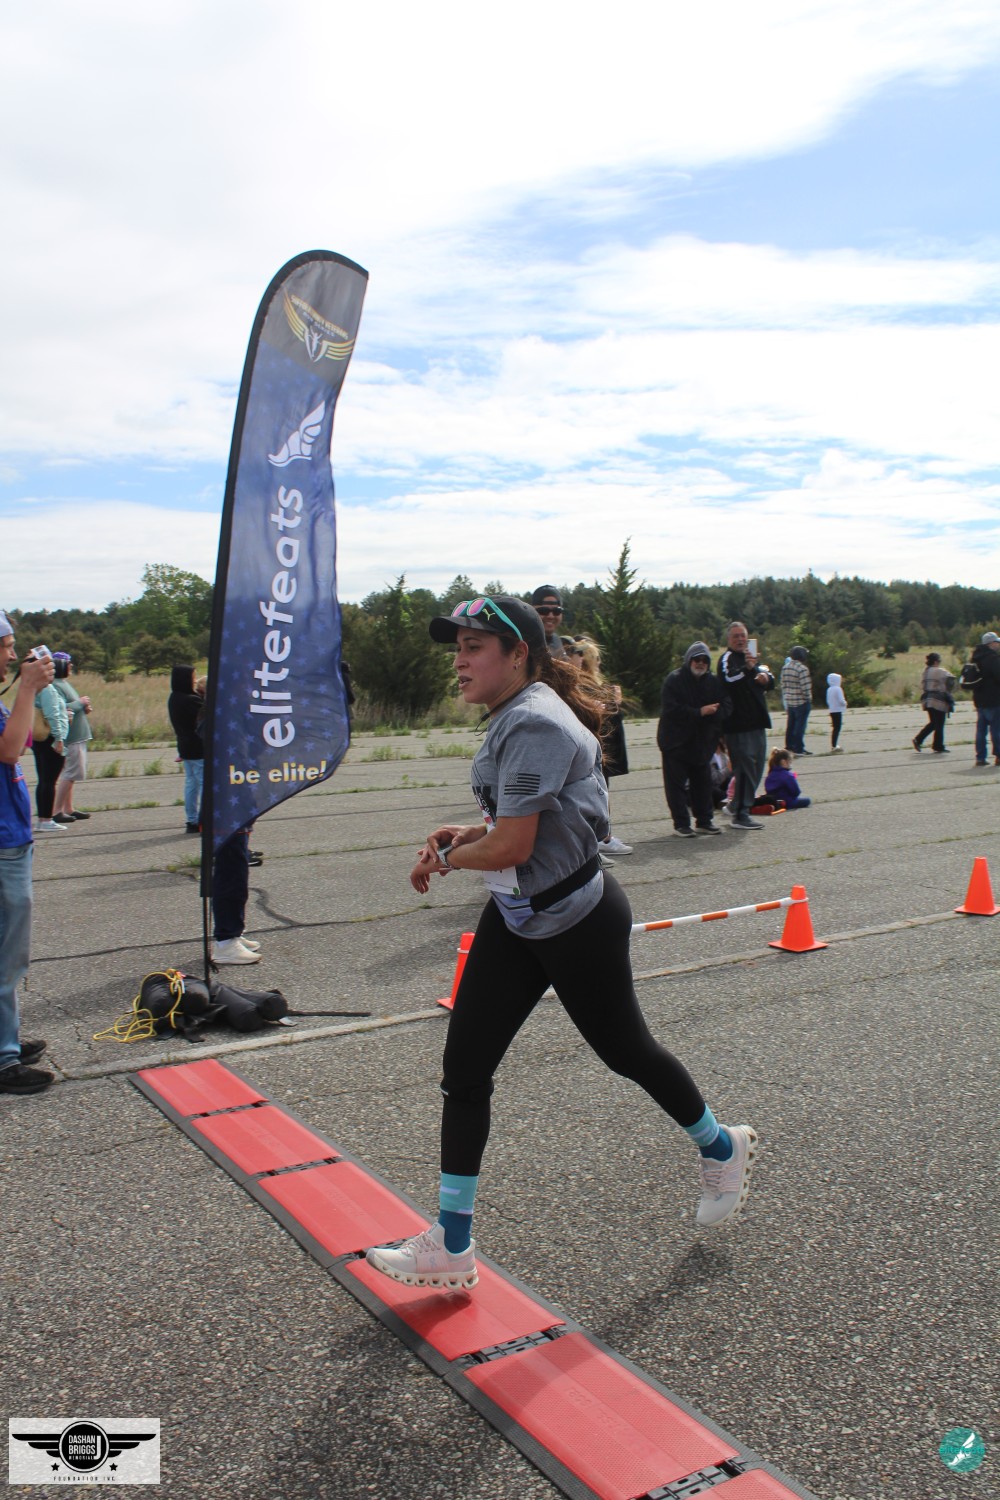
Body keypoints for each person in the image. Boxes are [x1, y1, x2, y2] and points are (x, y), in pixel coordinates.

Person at [365, 594, 758, 1292]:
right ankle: (452, 1244)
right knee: (465, 1070)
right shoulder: (514, 714)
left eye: (474, 647)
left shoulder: (535, 722)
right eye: (456, 648)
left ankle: (721, 1145)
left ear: (518, 654)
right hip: (518, 915)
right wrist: (468, 831)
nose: (459, 661)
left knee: (627, 1053)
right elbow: (520, 822)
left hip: (576, 920)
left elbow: (513, 845)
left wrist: (449, 857)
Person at [0, 612, 56, 1095]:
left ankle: (8, 1039)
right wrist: (28, 689)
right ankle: (3, 1060)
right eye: (5, 646)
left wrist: (33, 694)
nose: (13, 655)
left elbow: (31, 737)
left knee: (10, 954)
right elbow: (9, 751)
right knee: (5, 957)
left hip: (12, 839)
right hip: (2, 844)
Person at [657, 642, 729, 837]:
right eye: (697, 659)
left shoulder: (713, 682)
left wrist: (716, 714)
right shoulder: (674, 680)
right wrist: (699, 712)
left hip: (702, 744)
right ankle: (681, 823)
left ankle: (704, 821)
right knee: (676, 787)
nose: (700, 663)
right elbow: (671, 709)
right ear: (689, 660)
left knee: (703, 785)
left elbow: (726, 704)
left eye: (705, 660)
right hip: (675, 743)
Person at [574, 637, 632, 857]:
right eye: (596, 658)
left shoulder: (591, 684)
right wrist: (614, 701)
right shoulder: (586, 684)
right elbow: (599, 715)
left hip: (598, 747)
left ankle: (603, 836)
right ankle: (602, 838)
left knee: (601, 791)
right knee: (598, 792)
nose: (599, 663)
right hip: (595, 747)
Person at [717, 622, 774, 829]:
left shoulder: (751, 657)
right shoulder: (727, 659)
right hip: (738, 725)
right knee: (745, 769)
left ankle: (735, 805)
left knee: (757, 768)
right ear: (729, 640)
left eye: (743, 636)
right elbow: (729, 678)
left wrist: (765, 678)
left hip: (757, 723)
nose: (740, 640)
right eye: (736, 636)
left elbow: (768, 677)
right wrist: (748, 670)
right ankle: (741, 815)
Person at [29, 658, 70, 832]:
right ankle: (46, 819)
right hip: (50, 739)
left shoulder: (34, 689)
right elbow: (52, 714)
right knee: (49, 781)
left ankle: (42, 819)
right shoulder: (47, 689)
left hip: (39, 740)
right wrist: (59, 739)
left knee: (43, 780)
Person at [51, 654, 93, 822]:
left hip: (77, 735)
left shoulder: (63, 683)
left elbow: (71, 707)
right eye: (68, 663)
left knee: (71, 774)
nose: (71, 666)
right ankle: (57, 811)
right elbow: (60, 708)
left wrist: (84, 708)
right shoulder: (55, 685)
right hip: (72, 737)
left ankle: (68, 808)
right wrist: (80, 703)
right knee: (71, 773)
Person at [168, 665, 205, 833]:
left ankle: (192, 820)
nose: (195, 681)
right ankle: (205, 820)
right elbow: (207, 716)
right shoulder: (191, 700)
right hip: (198, 747)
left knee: (191, 784)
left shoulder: (174, 697)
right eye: (193, 678)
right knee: (204, 785)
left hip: (185, 747)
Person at [968, 631, 1000, 766]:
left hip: (979, 699)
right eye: (997, 642)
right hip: (994, 698)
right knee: (996, 729)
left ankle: (980, 757)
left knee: (981, 731)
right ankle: (999, 756)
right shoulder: (993, 658)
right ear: (991, 644)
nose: (998, 644)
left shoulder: (975, 658)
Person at [912, 653, 954, 754]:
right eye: (939, 661)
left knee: (933, 723)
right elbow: (951, 679)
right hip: (938, 700)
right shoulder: (939, 671)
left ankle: (919, 739)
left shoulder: (925, 671)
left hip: (927, 699)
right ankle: (938, 746)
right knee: (939, 723)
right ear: (935, 661)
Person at [780, 646, 812, 755]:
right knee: (800, 726)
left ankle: (789, 746)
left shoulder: (785, 667)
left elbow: (783, 684)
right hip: (801, 701)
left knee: (790, 725)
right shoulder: (802, 669)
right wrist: (808, 699)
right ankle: (799, 748)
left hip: (790, 701)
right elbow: (806, 688)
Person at [529, 586, 567, 657]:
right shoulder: (523, 642)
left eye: (556, 611)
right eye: (544, 611)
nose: (551, 616)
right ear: (532, 611)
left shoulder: (557, 641)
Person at [826, 673, 847, 751]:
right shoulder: (838, 689)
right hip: (838, 710)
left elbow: (828, 701)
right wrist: (845, 703)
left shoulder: (829, 689)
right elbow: (841, 700)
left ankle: (833, 744)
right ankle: (834, 745)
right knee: (837, 728)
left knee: (835, 727)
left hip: (832, 710)